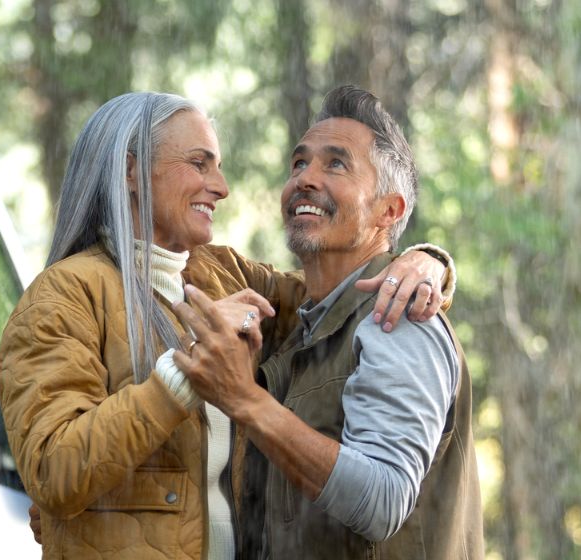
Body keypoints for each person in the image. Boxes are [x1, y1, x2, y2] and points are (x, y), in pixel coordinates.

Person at [0, 91, 452, 559]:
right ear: (131, 171)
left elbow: (337, 290)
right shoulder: (62, 297)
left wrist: (426, 262)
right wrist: (180, 380)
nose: (221, 186)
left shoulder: (223, 275)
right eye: (200, 163)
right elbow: (53, 473)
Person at [172, 85, 484, 559]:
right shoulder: (295, 323)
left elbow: (382, 501)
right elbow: (169, 257)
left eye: (336, 164)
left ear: (389, 210)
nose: (305, 179)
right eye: (299, 163)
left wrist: (244, 399)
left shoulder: (399, 316)